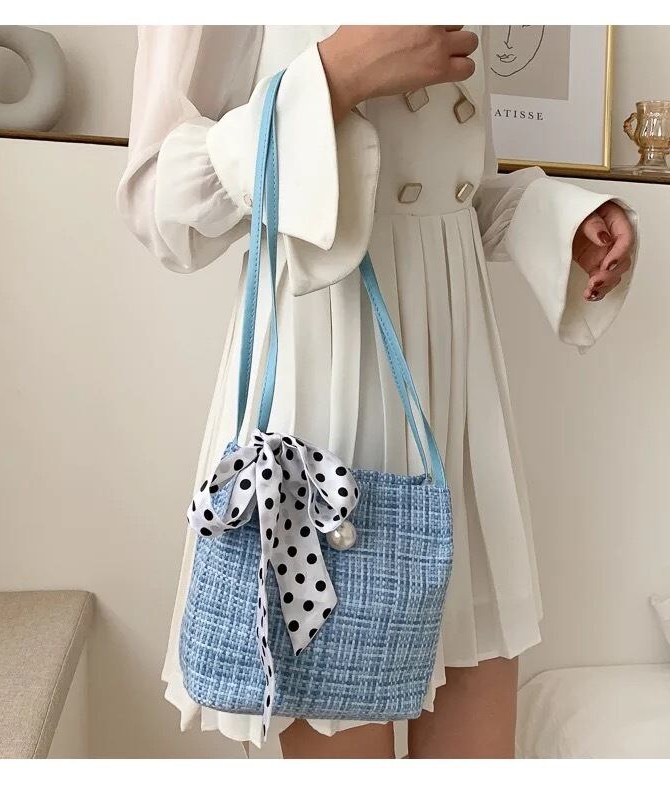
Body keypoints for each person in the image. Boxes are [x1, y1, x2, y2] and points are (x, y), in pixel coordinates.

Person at [117, 25, 638, 759]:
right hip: (328, 375)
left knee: (478, 738)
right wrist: (331, 78)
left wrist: (556, 218)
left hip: (458, 389)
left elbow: (443, 191)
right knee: (340, 718)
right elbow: (159, 203)